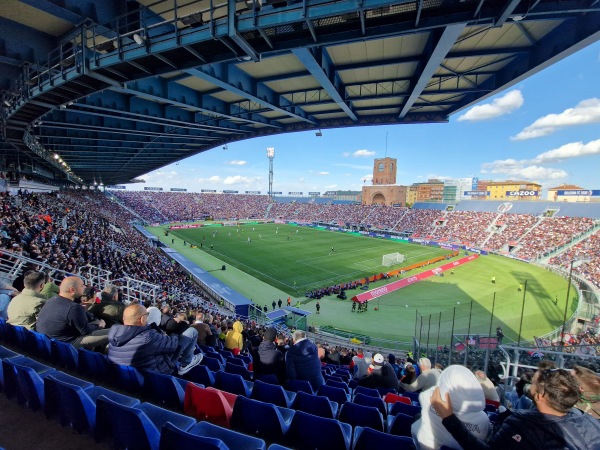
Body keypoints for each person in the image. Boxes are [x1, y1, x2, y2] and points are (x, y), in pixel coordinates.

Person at [432, 368, 600, 449]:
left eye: (532, 383)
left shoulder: (520, 425)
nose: (529, 385)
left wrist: (449, 418)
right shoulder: (593, 423)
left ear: (541, 396)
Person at [108, 304, 202, 375]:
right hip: (156, 371)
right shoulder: (148, 336)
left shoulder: (114, 332)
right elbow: (173, 345)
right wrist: (175, 333)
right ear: (142, 319)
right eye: (146, 315)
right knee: (192, 331)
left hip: (126, 373)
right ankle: (186, 364)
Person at [413, 365, 489, 450]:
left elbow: (423, 395)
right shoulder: (484, 419)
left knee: (417, 417)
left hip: (423, 446)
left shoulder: (429, 397)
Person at [36, 276, 110, 349]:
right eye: (82, 285)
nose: (84, 287)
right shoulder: (73, 308)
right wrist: (99, 325)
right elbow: (86, 331)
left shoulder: (52, 300)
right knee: (114, 332)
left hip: (49, 342)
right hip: (65, 345)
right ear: (72, 290)